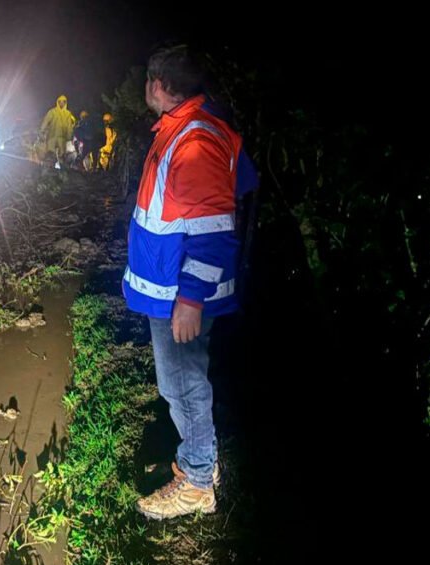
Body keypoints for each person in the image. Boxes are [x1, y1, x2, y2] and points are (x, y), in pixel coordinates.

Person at [126, 45, 247, 520]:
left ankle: (198, 481)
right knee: (182, 381)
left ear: (158, 84)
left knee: (182, 384)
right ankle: (201, 463)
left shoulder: (194, 141)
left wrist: (191, 299)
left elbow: (215, 232)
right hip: (171, 286)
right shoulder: (184, 129)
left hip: (180, 292)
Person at [39, 95, 76, 167]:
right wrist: (41, 131)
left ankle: (62, 170)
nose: (61, 103)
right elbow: (45, 122)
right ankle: (50, 169)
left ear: (66, 103)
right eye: (60, 102)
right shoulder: (52, 112)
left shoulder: (68, 114)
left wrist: (69, 138)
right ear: (57, 102)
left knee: (62, 155)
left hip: (62, 138)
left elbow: (69, 127)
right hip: (52, 136)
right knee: (50, 154)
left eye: (63, 102)